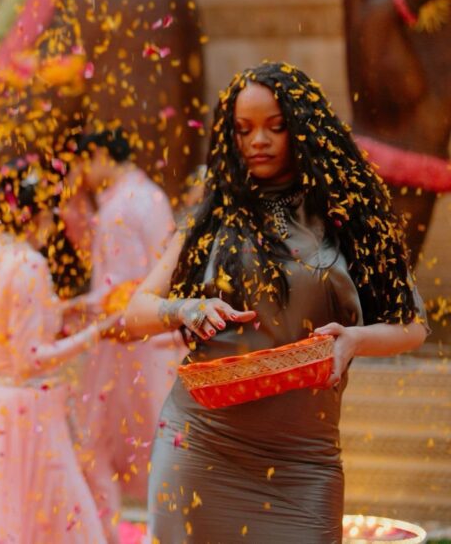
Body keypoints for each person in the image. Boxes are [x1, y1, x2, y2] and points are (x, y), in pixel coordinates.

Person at [115, 62, 427, 541]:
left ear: (303, 129)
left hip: (306, 462)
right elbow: (136, 314)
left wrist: (354, 340)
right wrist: (186, 309)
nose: (257, 140)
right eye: (243, 129)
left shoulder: (349, 215)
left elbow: (413, 325)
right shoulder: (215, 215)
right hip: (201, 444)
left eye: (274, 127)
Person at [0, 160, 108, 544]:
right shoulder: (30, 264)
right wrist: (97, 332)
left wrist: (61, 309)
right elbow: (31, 358)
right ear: (39, 215)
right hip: (27, 408)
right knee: (37, 507)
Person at [65, 129, 185, 541]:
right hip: (131, 340)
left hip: (134, 343)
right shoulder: (135, 196)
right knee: (110, 440)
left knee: (127, 443)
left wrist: (88, 306)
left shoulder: (131, 203)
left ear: (98, 155)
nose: (79, 174)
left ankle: (133, 535)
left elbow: (133, 284)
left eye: (81, 163)